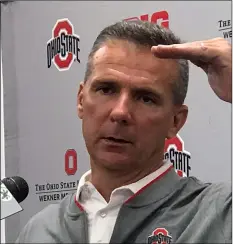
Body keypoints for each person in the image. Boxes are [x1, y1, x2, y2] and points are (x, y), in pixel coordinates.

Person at [16, 20, 232, 243]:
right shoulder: (39, 230)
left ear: (175, 121)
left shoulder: (219, 215)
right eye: (106, 89)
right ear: (81, 100)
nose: (120, 112)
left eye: (146, 98)